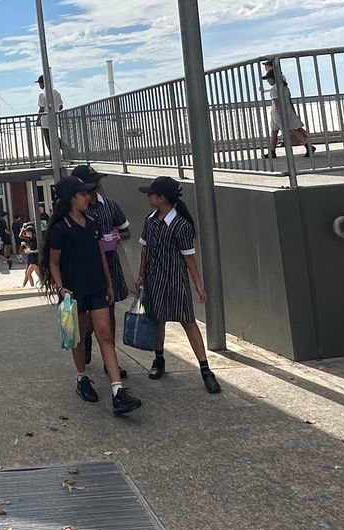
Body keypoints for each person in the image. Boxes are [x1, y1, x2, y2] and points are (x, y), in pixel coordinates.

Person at [46, 173, 141, 417]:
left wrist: (109, 284)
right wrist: (60, 287)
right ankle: (82, 377)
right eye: (82, 194)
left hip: (97, 287)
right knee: (78, 336)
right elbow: (53, 263)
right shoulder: (59, 229)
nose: (87, 197)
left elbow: (101, 256)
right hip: (73, 293)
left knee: (105, 335)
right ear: (71, 198)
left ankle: (118, 390)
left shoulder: (92, 223)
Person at [134, 176, 223, 392]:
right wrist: (141, 275)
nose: (148, 197)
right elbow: (144, 249)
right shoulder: (150, 220)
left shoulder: (181, 225)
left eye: (151, 194)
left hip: (176, 281)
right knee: (157, 321)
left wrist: (198, 286)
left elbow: (189, 258)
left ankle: (205, 369)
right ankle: (159, 359)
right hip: (155, 280)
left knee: (188, 322)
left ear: (161, 198)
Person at [261, 59, 315, 161]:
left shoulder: (274, 89)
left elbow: (277, 104)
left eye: (268, 79)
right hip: (286, 109)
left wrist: (281, 115)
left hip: (278, 112)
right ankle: (272, 151)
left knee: (289, 130)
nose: (268, 81)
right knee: (274, 131)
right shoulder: (283, 86)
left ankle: (308, 144)